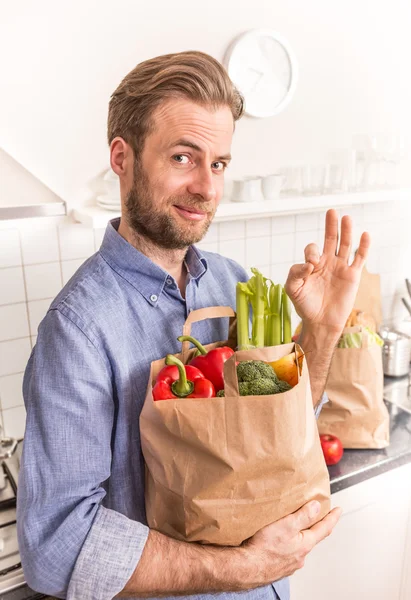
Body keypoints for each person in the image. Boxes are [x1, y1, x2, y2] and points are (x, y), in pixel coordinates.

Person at [17, 51, 370, 600]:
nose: (207, 187)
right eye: (184, 157)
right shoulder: (79, 330)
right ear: (122, 157)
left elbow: (282, 428)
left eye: (220, 163)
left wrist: (320, 332)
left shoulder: (234, 287)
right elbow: (57, 543)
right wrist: (246, 567)